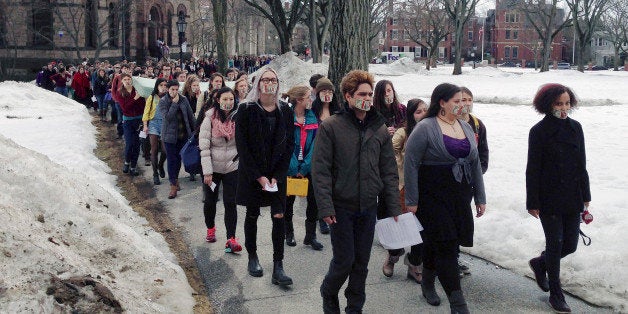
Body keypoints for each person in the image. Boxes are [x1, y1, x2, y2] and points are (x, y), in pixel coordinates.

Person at [312, 70, 401, 313]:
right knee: (344, 261)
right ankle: (329, 291)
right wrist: (326, 206)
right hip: (341, 206)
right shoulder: (331, 127)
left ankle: (355, 306)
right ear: (348, 97)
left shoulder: (379, 128)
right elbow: (320, 171)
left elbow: (388, 171)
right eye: (362, 94)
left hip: (367, 206)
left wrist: (393, 207)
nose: (368, 98)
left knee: (361, 263)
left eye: (370, 94)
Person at [404, 83, 486, 313]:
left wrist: (480, 196)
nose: (462, 105)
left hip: (459, 196)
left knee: (438, 243)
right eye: (457, 101)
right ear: (442, 102)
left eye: (464, 101)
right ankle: (458, 304)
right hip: (432, 196)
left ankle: (428, 282)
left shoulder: (466, 127)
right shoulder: (426, 127)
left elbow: (475, 162)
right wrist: (411, 200)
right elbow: (411, 163)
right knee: (447, 246)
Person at [526, 83, 590, 314]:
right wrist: (532, 201)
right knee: (555, 244)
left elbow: (582, 164)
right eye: (558, 104)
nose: (564, 108)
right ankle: (556, 293)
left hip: (573, 195)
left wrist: (586, 196)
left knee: (570, 245)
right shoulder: (539, 131)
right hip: (549, 196)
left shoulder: (576, 128)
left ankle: (539, 263)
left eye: (567, 103)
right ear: (547, 105)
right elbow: (532, 168)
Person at [235, 68, 295, 286]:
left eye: (274, 80)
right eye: (266, 79)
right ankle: (253, 257)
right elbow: (243, 147)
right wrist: (259, 176)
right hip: (253, 173)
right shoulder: (246, 109)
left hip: (276, 174)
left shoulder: (285, 110)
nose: (270, 83)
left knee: (279, 216)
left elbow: (289, 144)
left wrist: (277, 176)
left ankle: (278, 266)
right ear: (258, 83)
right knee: (252, 215)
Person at [198, 87, 242, 253]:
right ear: (218, 100)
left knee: (231, 202)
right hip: (213, 168)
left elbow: (243, 142)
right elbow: (204, 146)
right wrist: (207, 171)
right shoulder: (209, 117)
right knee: (210, 201)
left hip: (232, 167)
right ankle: (210, 228)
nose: (228, 103)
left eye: (231, 99)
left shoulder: (238, 116)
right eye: (224, 99)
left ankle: (231, 239)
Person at [281, 85, 323, 251]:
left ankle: (310, 235)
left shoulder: (312, 118)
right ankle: (289, 232)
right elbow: (285, 144)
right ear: (299, 100)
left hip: (308, 168)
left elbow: (315, 145)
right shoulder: (286, 118)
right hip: (290, 168)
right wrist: (293, 168)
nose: (310, 100)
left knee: (313, 201)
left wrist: (305, 167)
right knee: (288, 203)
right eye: (307, 97)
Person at [392, 98, 428, 284]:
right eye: (418, 112)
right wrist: (402, 163)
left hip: (427, 187)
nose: (423, 114)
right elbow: (391, 151)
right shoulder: (404, 132)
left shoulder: (432, 129)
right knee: (404, 227)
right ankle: (392, 256)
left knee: (420, 231)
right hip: (406, 187)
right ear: (411, 115)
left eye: (425, 110)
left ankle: (414, 264)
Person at [374, 79, 408, 278]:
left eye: (391, 90)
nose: (390, 94)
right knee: (384, 200)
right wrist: (383, 133)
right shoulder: (375, 113)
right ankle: (388, 237)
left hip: (399, 161)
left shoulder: (401, 109)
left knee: (396, 199)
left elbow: (406, 126)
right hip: (380, 159)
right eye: (386, 91)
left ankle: (399, 244)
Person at [310, 76, 341, 235]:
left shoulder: (338, 111)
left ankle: (331, 216)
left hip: (335, 154)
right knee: (319, 188)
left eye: (330, 91)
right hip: (316, 154)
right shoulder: (312, 111)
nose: (327, 94)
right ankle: (321, 219)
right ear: (318, 93)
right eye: (323, 91)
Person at [158, 80, 196, 199]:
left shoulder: (184, 99)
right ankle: (173, 186)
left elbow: (190, 116)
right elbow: (167, 118)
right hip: (169, 137)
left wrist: (195, 132)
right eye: (172, 90)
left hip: (183, 135)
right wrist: (174, 104)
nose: (174, 92)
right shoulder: (163, 101)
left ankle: (175, 179)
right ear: (168, 90)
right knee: (171, 160)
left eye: (176, 89)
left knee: (179, 159)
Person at [111, 73, 146, 176]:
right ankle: (127, 161)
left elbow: (142, 106)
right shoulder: (120, 92)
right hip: (128, 121)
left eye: (129, 79)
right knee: (129, 143)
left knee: (136, 145)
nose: (127, 81)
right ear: (122, 81)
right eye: (125, 79)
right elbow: (125, 108)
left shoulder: (137, 90)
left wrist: (139, 98)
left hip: (139, 120)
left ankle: (133, 167)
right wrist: (135, 98)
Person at [142, 78, 168, 185]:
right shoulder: (151, 97)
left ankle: (161, 164)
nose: (163, 87)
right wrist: (145, 125)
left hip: (165, 124)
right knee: (154, 149)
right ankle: (155, 174)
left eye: (165, 85)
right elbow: (146, 112)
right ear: (157, 86)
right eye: (161, 85)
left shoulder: (168, 97)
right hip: (153, 123)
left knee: (165, 150)